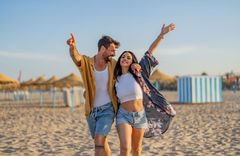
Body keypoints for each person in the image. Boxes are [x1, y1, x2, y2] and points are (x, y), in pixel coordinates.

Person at [114, 23, 177, 156]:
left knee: (137, 150)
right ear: (119, 60)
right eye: (123, 56)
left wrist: (162, 35)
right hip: (123, 115)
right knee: (125, 148)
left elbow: (150, 51)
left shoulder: (139, 72)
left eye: (128, 57)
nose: (125, 58)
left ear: (132, 62)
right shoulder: (115, 78)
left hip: (140, 116)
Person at [67, 34, 120, 156]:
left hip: (108, 109)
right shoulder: (87, 63)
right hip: (91, 111)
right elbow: (77, 58)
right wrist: (73, 48)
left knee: (99, 140)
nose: (114, 53)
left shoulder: (113, 64)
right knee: (101, 141)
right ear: (102, 49)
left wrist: (135, 65)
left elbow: (126, 68)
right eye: (112, 50)